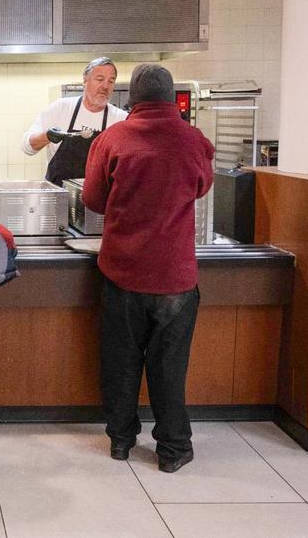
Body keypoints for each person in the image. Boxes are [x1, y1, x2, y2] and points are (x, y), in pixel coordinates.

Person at [82, 64, 214, 474]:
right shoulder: (194, 141)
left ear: (131, 99)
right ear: (173, 98)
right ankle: (173, 449)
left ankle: (121, 441)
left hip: (123, 274)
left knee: (121, 363)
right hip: (175, 278)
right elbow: (202, 187)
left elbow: (93, 199)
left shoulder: (112, 139)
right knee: (169, 367)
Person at [22, 57, 128, 186]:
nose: (105, 86)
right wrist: (47, 136)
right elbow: (27, 147)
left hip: (98, 201)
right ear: (85, 80)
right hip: (59, 197)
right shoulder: (61, 108)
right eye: (100, 79)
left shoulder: (121, 119)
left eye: (111, 81)